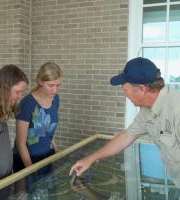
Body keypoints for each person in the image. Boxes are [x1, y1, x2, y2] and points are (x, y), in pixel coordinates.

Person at [70, 57, 180, 188]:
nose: (125, 95)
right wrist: (90, 159)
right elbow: (126, 137)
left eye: (125, 89)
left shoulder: (176, 110)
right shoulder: (147, 110)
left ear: (142, 89)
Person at [13, 62, 62, 173]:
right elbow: (21, 143)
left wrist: (55, 149)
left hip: (47, 155)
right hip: (27, 160)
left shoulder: (56, 99)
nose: (55, 90)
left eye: (58, 85)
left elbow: (50, 129)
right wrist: (31, 171)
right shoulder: (27, 103)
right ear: (40, 81)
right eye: (50, 85)